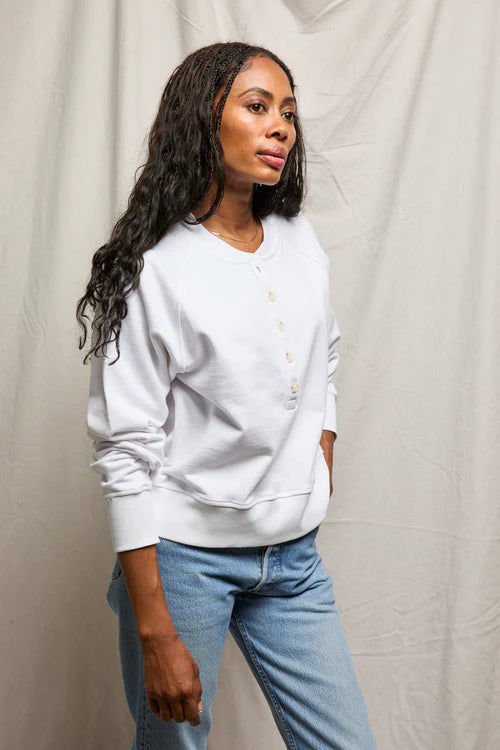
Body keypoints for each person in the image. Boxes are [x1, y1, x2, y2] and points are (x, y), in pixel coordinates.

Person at [76, 41, 378, 750]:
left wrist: (319, 460)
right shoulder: (154, 269)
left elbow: (324, 358)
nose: (280, 127)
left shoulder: (298, 240)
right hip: (185, 562)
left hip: (292, 560)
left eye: (288, 113)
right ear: (201, 119)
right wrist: (156, 631)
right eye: (257, 106)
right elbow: (125, 450)